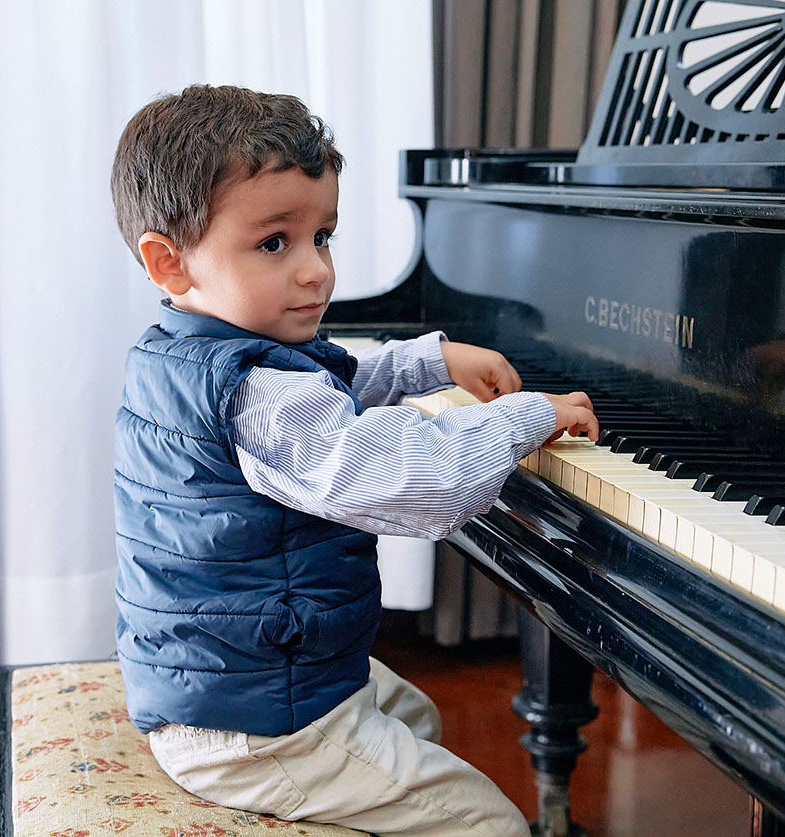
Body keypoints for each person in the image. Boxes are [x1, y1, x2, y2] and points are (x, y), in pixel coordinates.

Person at [109, 84, 599, 837]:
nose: (315, 271)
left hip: (221, 677)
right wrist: (527, 417)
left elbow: (327, 392)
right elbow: (413, 479)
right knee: (490, 823)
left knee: (414, 712)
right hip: (257, 725)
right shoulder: (260, 395)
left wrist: (426, 362)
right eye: (275, 243)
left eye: (323, 237)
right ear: (169, 263)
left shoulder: (187, 352)